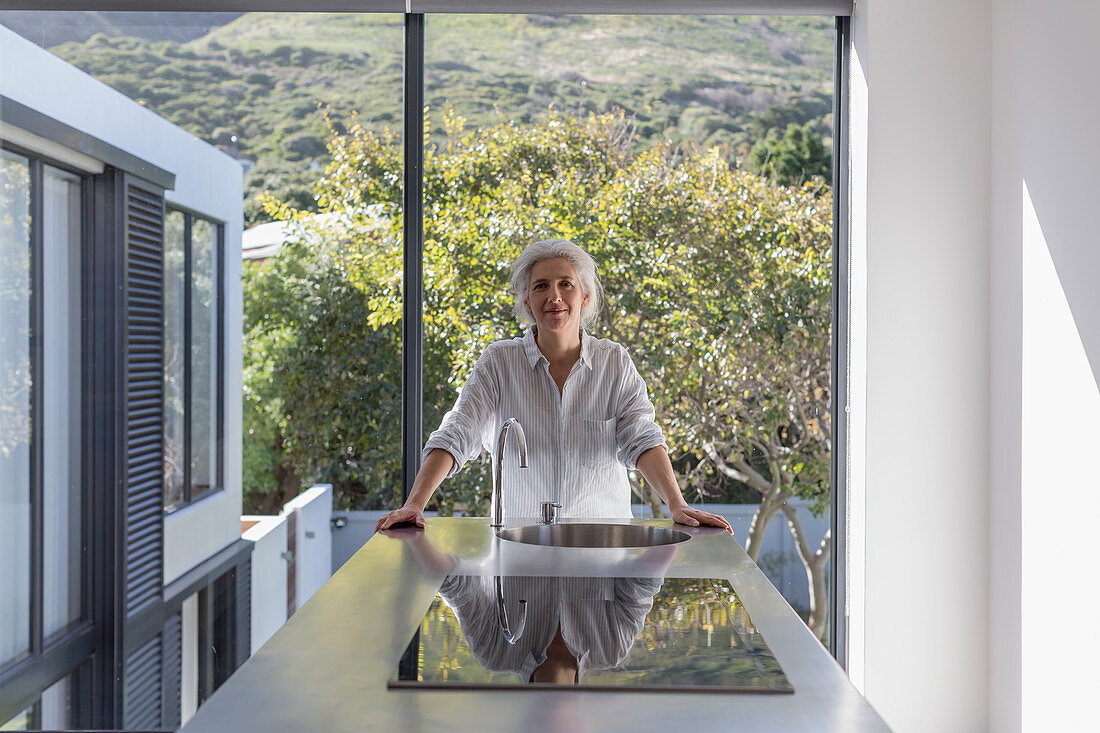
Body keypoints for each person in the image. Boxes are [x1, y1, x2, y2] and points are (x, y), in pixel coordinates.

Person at [375, 238, 731, 533]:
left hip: (602, 557)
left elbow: (642, 438)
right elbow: (458, 431)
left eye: (566, 284)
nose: (554, 296)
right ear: (528, 302)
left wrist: (677, 504)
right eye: (541, 286)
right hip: (517, 553)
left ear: (585, 297)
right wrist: (414, 504)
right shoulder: (499, 362)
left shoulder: (614, 361)